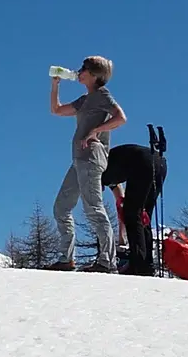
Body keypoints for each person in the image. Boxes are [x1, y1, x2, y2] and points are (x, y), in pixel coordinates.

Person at [50, 56, 125, 272]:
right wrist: (55, 85)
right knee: (61, 208)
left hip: (91, 158)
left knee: (93, 208)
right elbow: (56, 110)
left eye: (84, 69)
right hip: (78, 159)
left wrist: (96, 131)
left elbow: (121, 118)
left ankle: (107, 262)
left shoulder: (103, 96)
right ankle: (67, 259)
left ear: (94, 75)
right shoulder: (85, 100)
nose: (79, 71)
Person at [103, 142, 167, 276]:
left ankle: (138, 265)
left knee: (133, 214)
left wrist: (122, 233)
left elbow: (122, 206)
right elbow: (120, 200)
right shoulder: (109, 165)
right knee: (144, 215)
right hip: (159, 162)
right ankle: (147, 264)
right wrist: (122, 235)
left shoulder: (95, 170)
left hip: (141, 162)